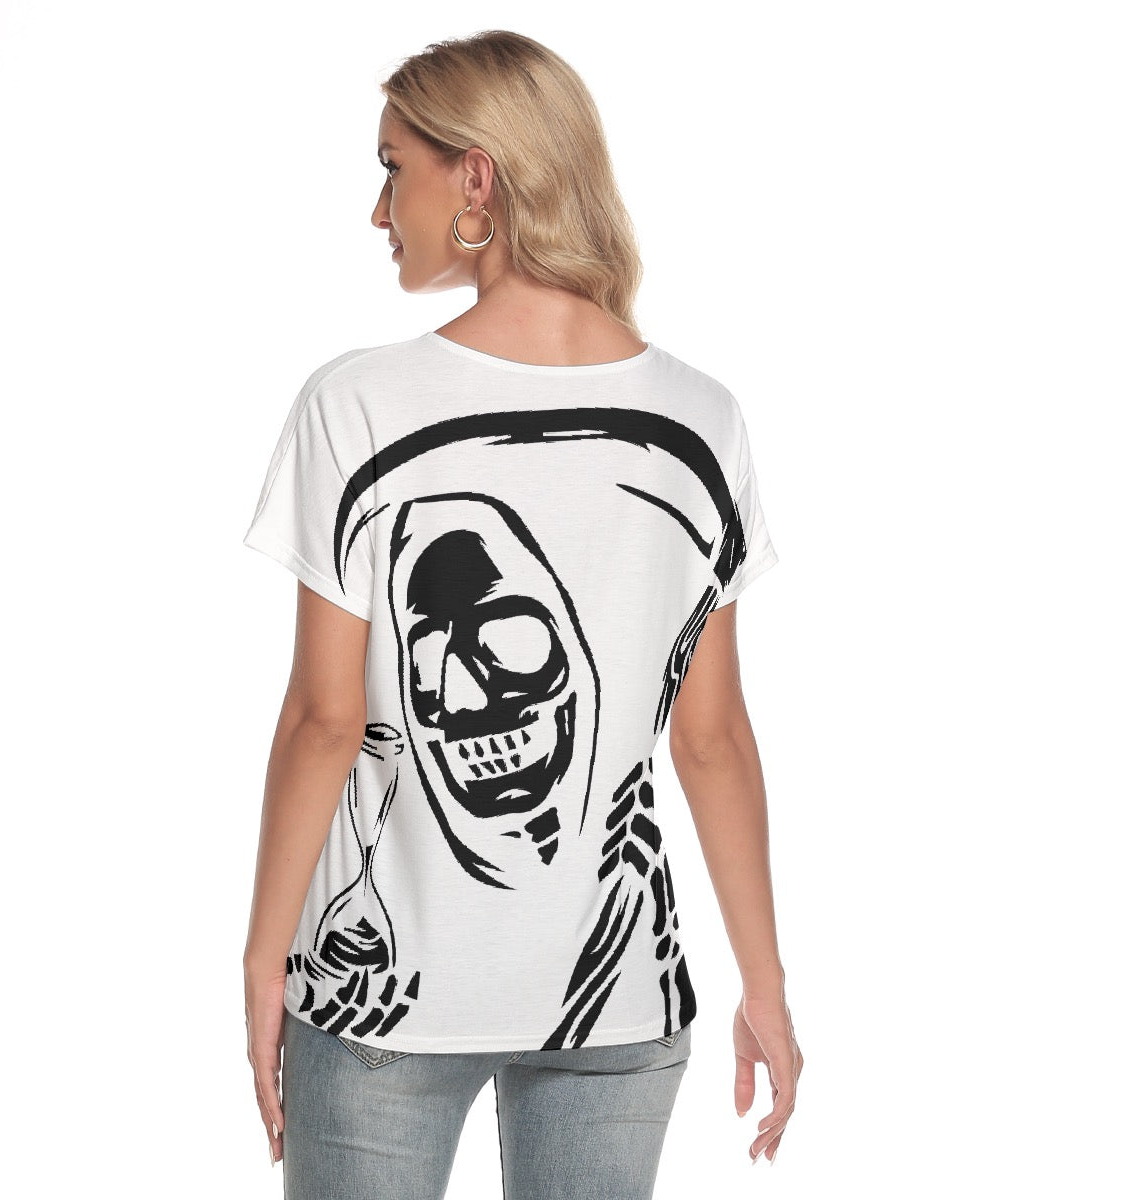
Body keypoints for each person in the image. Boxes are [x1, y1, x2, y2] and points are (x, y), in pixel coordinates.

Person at [241, 28, 803, 1200]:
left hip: (377, 1017)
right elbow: (710, 737)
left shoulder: (357, 403)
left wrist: (263, 957)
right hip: (624, 1020)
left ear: (476, 178)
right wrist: (765, 984)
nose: (378, 209)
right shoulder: (704, 419)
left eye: (393, 168)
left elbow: (323, 721)